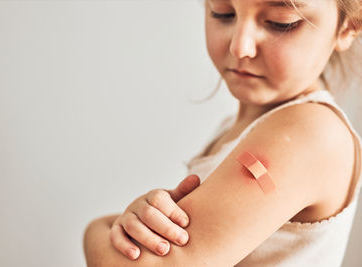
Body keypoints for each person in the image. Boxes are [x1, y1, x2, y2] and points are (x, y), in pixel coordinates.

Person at [83, 0, 362, 266]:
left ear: (349, 25)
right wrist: (134, 224)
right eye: (223, 12)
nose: (240, 46)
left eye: (281, 22)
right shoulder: (234, 130)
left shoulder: (309, 133)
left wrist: (98, 229)